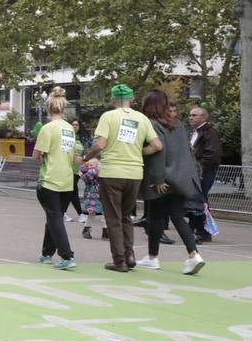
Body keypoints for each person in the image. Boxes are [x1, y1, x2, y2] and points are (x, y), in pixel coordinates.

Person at [85, 84, 163, 272]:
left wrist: (87, 157)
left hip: (112, 172)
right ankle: (130, 254)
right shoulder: (141, 118)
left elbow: (100, 144)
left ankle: (119, 260)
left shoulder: (108, 117)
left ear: (113, 100)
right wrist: (139, 151)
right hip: (135, 173)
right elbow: (157, 145)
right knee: (127, 216)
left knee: (113, 217)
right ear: (131, 99)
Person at [135, 91, 206, 275]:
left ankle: (152, 257)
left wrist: (158, 179)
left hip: (161, 179)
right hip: (182, 178)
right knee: (176, 216)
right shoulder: (178, 124)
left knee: (154, 217)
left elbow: (159, 154)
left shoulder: (152, 124)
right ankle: (193, 254)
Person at [32, 87, 79, 270]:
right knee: (55, 217)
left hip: (50, 179)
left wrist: (42, 157)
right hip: (67, 179)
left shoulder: (48, 129)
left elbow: (37, 154)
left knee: (54, 218)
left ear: (47, 108)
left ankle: (67, 255)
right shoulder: (69, 129)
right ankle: (46, 253)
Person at [187, 106, 222, 243]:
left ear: (203, 117)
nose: (191, 117)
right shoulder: (194, 132)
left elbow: (212, 154)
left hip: (204, 171)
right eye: (190, 115)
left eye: (194, 115)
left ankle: (203, 231)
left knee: (200, 199)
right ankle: (195, 228)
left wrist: (199, 169)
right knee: (196, 199)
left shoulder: (210, 132)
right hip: (194, 171)